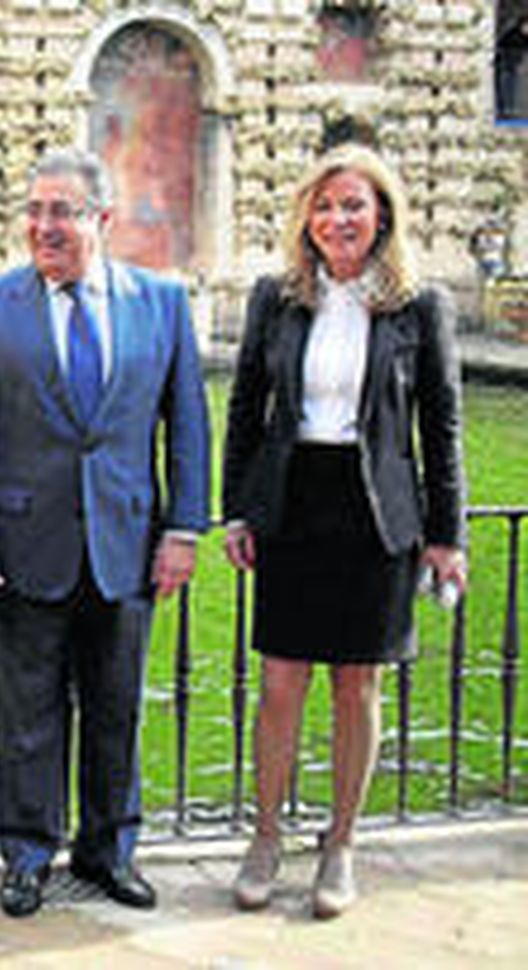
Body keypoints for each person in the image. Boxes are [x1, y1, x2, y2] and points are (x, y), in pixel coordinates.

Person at [0, 148, 210, 919]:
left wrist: (185, 527)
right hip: (21, 549)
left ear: (102, 219)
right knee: (26, 713)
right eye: (34, 211)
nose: (43, 226)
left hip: (130, 548)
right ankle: (27, 855)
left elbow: (187, 425)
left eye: (61, 211)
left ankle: (108, 850)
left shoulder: (162, 303)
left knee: (118, 707)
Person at [223, 144, 466, 919]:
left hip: (377, 513)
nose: (338, 220)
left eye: (354, 206)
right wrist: (237, 508)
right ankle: (265, 837)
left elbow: (444, 426)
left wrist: (446, 535)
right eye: (325, 207)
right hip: (293, 504)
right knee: (280, 685)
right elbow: (245, 413)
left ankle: (341, 845)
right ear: (308, 218)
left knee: (358, 686)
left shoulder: (420, 305)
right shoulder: (277, 296)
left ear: (382, 215)